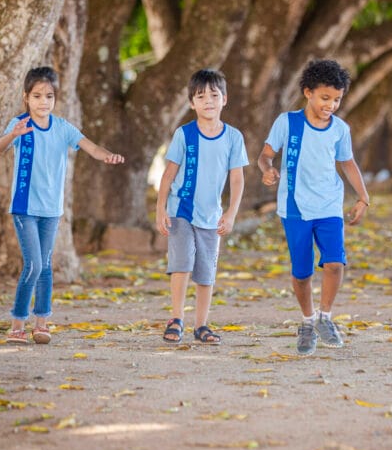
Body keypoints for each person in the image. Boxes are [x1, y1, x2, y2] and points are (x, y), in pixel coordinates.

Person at [0, 67, 124, 345]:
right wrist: (13, 135)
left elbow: (90, 146)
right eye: (37, 96)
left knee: (45, 267)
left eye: (49, 96)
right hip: (24, 207)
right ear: (26, 97)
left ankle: (42, 323)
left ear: (55, 99)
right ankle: (17, 323)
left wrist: (108, 156)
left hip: (51, 210)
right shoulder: (20, 124)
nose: (43, 102)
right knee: (33, 264)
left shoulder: (63, 127)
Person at [257, 59, 370, 356]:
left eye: (337, 99)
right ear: (307, 92)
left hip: (330, 204)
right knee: (302, 272)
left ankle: (325, 317)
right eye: (325, 98)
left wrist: (363, 197)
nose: (331, 105)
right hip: (294, 208)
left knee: (335, 263)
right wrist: (267, 169)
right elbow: (265, 155)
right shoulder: (287, 122)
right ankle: (307, 321)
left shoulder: (340, 130)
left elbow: (347, 163)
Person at [155, 69, 248, 345]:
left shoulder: (233, 137)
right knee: (182, 264)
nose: (208, 100)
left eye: (214, 95)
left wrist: (231, 213)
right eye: (201, 96)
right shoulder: (184, 135)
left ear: (225, 99)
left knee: (206, 272)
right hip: (180, 210)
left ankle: (202, 325)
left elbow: (237, 177)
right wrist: (161, 208)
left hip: (211, 215)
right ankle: (176, 319)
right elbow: (169, 174)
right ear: (192, 103)